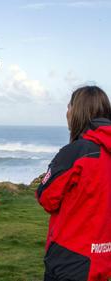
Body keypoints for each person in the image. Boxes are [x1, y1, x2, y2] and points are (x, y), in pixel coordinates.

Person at [36, 86, 111, 281]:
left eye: (69, 106)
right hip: (103, 256)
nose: (66, 112)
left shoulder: (77, 152)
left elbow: (47, 198)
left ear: (77, 111)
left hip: (71, 256)